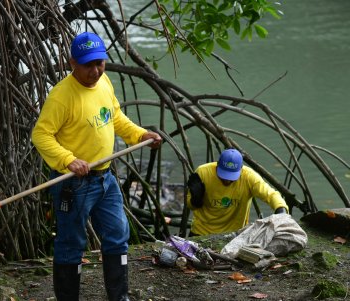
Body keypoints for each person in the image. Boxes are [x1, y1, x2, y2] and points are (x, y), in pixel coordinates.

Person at [31, 32, 162, 301]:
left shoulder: (104, 83)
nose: (95, 70)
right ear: (72, 63)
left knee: (117, 234)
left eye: (99, 63)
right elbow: (41, 135)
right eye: (88, 65)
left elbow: (114, 117)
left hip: (105, 179)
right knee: (71, 244)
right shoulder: (61, 96)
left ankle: (119, 296)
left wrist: (140, 135)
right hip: (73, 183)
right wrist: (68, 159)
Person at [186, 148, 288, 236]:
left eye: (231, 177)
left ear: (240, 169)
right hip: (201, 232)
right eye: (223, 175)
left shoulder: (248, 177)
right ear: (217, 165)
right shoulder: (203, 173)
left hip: (235, 233)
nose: (227, 180)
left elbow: (270, 194)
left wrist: (281, 210)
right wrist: (195, 200)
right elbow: (191, 206)